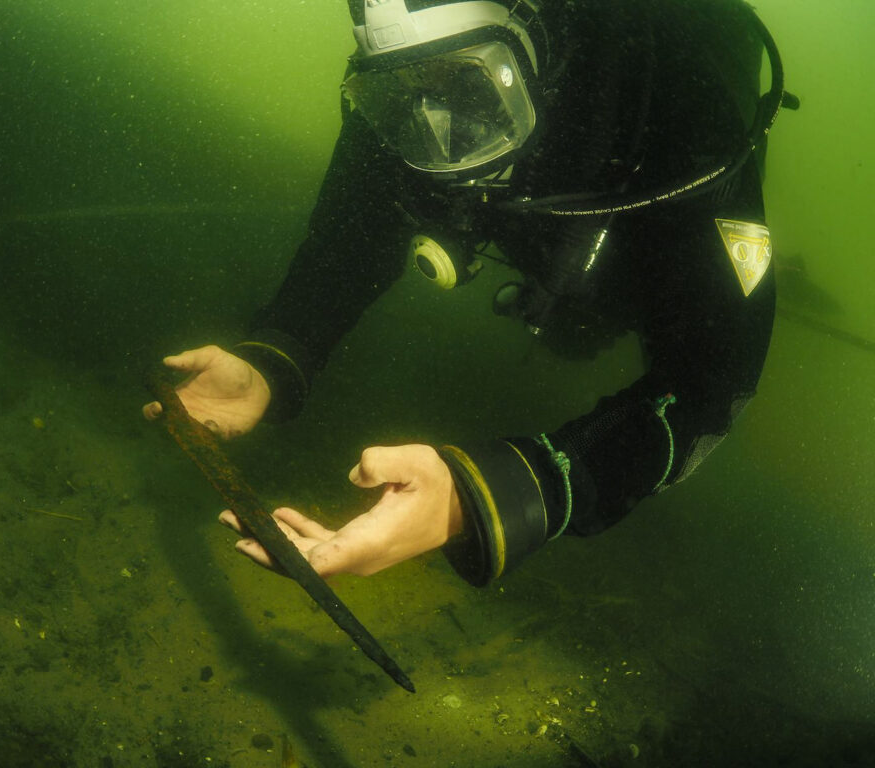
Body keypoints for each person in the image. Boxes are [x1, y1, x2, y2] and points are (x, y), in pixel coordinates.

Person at [144, 0, 793, 586]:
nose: (437, 141)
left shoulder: (684, 109)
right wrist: (272, 357)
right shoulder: (404, 70)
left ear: (538, 39)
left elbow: (713, 379)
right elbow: (353, 240)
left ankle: (762, 267)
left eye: (469, 89)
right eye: (404, 94)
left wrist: (496, 495)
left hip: (633, 237)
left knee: (584, 332)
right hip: (549, 225)